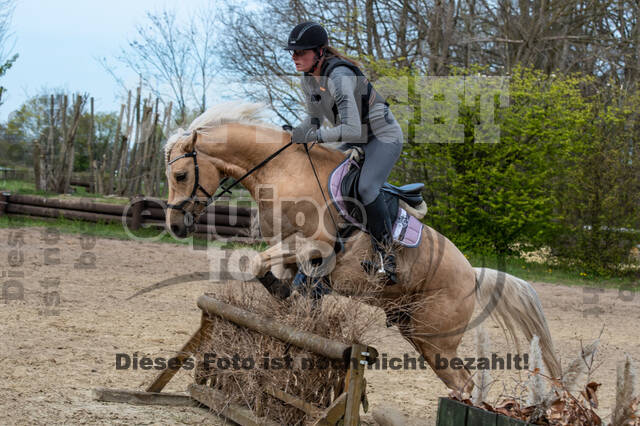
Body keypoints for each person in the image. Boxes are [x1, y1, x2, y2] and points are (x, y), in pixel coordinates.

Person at [285, 21, 404, 284]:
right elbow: (313, 124)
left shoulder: (339, 77)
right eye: (291, 52)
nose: (294, 57)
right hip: (357, 139)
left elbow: (350, 130)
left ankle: (387, 255)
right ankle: (329, 248)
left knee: (366, 189)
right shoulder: (309, 81)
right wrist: (291, 135)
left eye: (300, 52)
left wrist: (314, 137)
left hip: (382, 137)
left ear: (319, 52)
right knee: (321, 175)